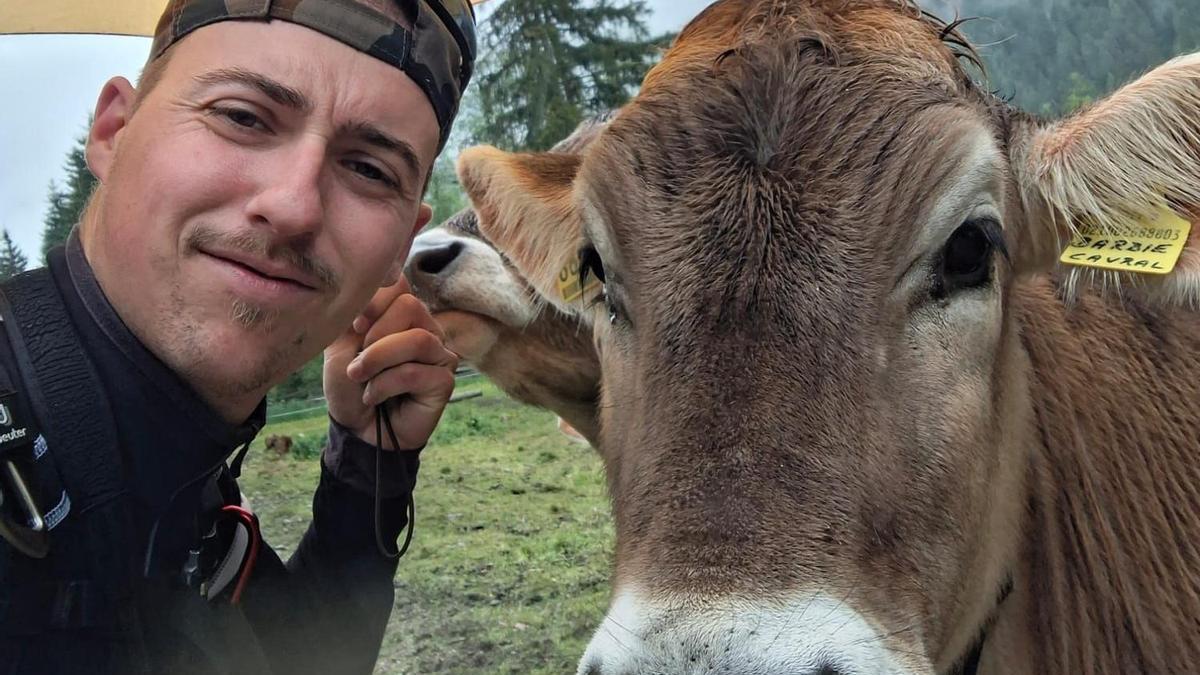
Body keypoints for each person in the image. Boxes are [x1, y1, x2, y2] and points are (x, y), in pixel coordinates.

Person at [0, 1, 476, 673]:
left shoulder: (192, 489)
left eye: (370, 169)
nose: (293, 206)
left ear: (402, 240)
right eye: (243, 116)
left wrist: (370, 461)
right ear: (113, 130)